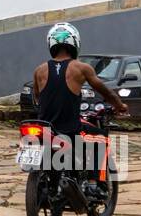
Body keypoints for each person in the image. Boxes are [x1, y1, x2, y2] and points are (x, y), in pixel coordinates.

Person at [31, 22, 127, 170]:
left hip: (45, 129)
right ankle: (95, 183)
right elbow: (105, 91)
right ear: (75, 42)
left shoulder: (39, 70)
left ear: (51, 43)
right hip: (70, 129)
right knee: (101, 139)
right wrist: (119, 105)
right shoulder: (82, 68)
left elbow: (37, 98)